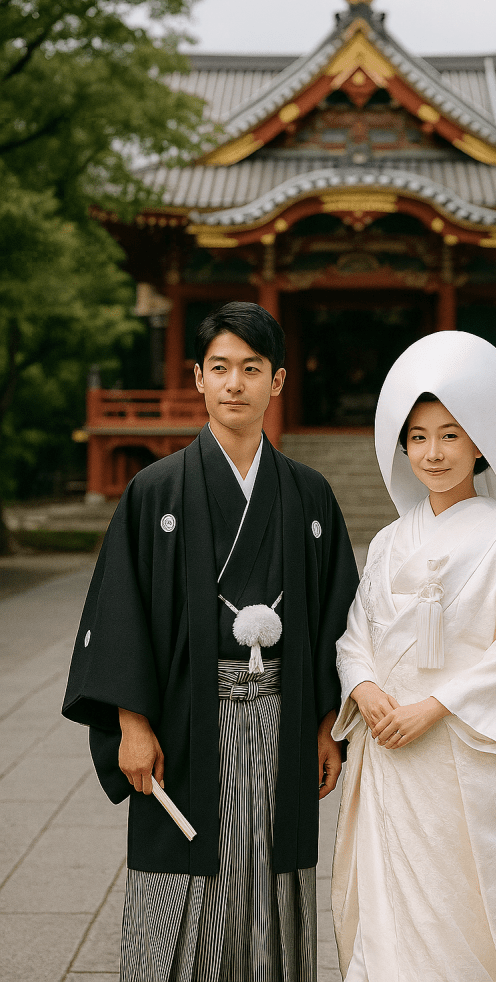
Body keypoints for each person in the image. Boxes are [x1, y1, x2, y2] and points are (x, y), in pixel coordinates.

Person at [62, 301, 359, 982]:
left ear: (277, 382)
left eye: (251, 369)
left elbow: (340, 619)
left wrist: (326, 726)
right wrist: (130, 725)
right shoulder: (154, 491)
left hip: (283, 722)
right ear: (197, 377)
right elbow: (119, 616)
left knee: (269, 877)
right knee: (183, 871)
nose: (234, 383)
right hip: (185, 720)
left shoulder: (309, 497)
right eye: (219, 367)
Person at [331, 331, 496, 982]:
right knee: (393, 912)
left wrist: (435, 707)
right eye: (417, 436)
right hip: (391, 749)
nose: (432, 452)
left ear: (478, 442)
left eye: (449, 434)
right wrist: (365, 691)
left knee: (466, 900)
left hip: (462, 756)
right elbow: (358, 633)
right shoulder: (387, 540)